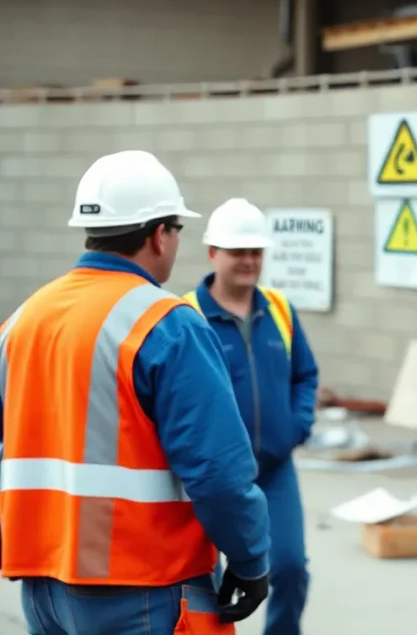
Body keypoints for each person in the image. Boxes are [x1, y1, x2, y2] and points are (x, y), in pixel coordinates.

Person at [0, 150, 271, 635]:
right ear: (159, 234)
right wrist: (251, 560)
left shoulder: (22, 321)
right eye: (176, 231)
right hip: (143, 586)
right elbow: (218, 473)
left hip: (41, 587)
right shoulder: (167, 325)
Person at [182, 197, 319, 635]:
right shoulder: (187, 316)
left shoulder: (280, 309)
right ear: (212, 254)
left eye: (255, 252)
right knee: (210, 583)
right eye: (236, 251)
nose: (248, 261)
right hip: (213, 474)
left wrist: (296, 427)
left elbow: (306, 375)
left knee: (291, 569)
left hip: (275, 469)